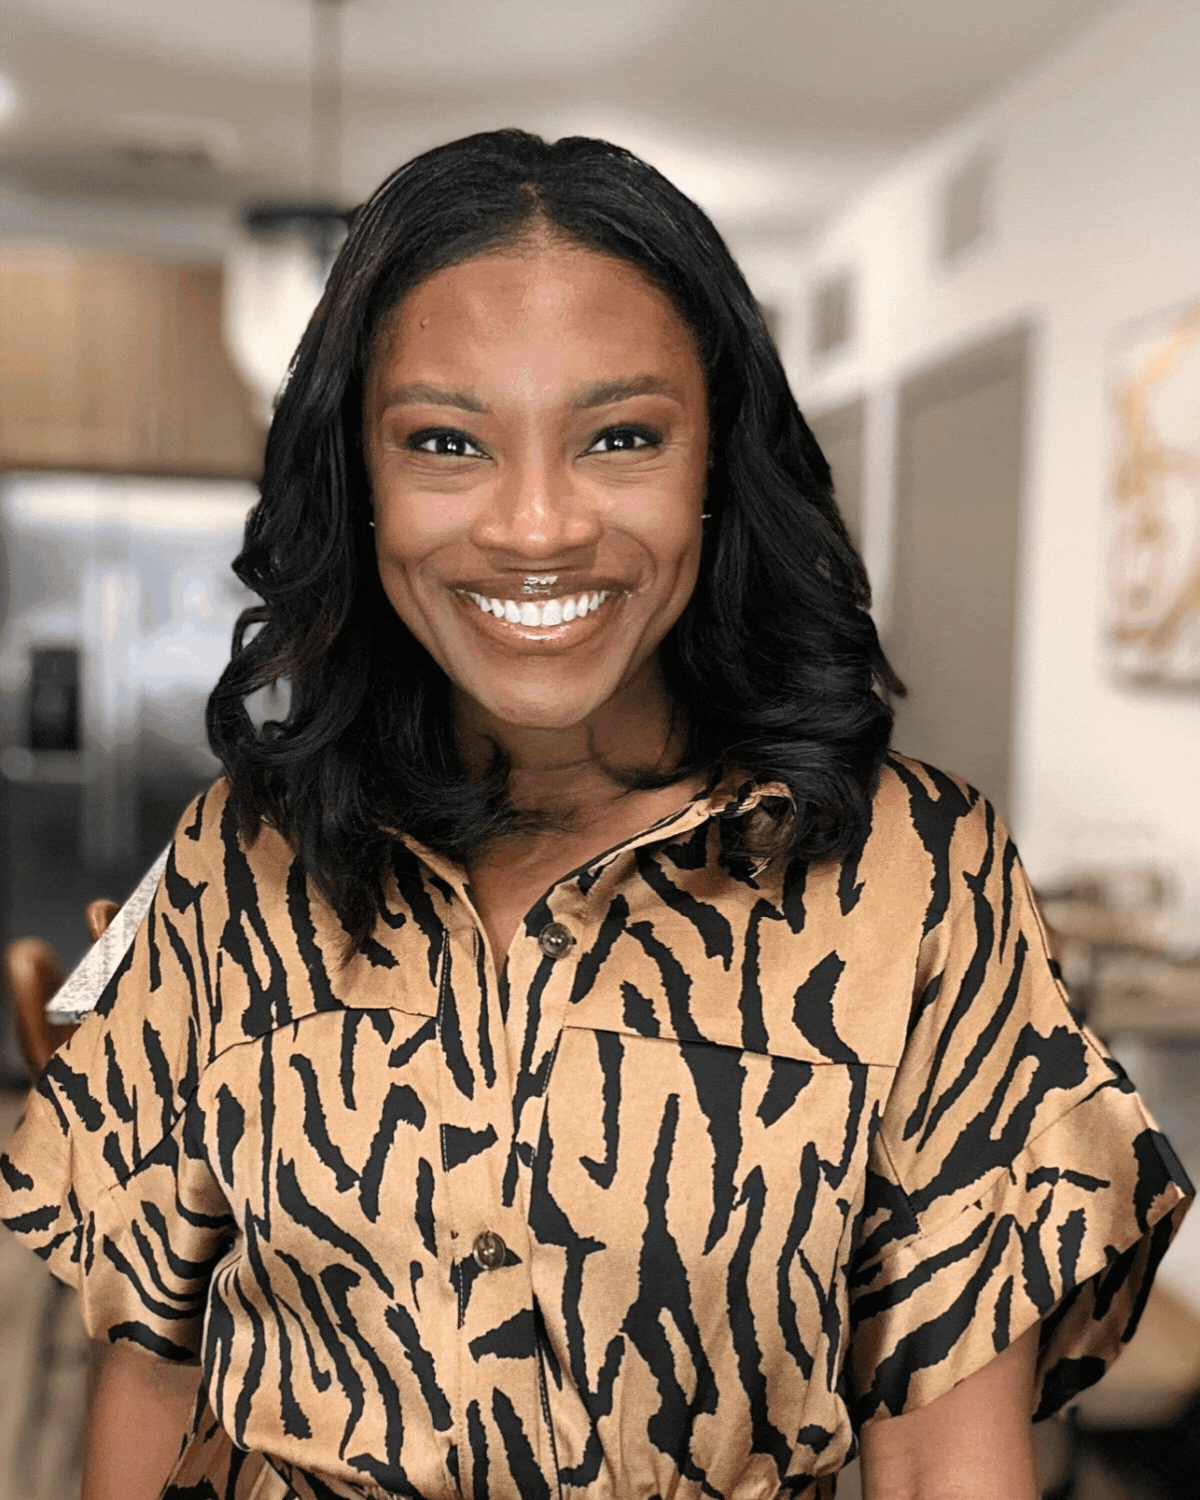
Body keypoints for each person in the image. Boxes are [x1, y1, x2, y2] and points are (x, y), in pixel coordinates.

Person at [0, 130, 1191, 1500]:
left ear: (717, 464)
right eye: (445, 442)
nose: (536, 527)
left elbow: (940, 1458)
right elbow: (157, 1366)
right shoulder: (231, 859)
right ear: (360, 481)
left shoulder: (922, 880)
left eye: (620, 437)